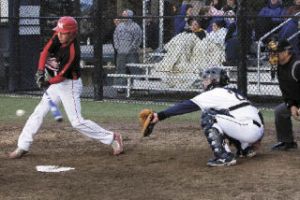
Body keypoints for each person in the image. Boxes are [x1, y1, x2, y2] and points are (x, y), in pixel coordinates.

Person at [9, 16, 124, 159]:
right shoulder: (58, 36)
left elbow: (61, 77)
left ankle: (113, 137)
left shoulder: (72, 52)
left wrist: (46, 82)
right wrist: (40, 72)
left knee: (76, 122)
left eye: (63, 33)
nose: (59, 34)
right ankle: (23, 146)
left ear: (71, 34)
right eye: (59, 31)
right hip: (56, 85)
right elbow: (44, 52)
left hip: (69, 85)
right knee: (38, 113)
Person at [146, 67, 264, 167]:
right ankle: (245, 149)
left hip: (246, 130)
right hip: (255, 130)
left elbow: (186, 106)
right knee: (224, 115)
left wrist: (160, 115)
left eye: (206, 79)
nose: (204, 82)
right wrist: (258, 138)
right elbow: (257, 112)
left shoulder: (214, 93)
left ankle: (224, 157)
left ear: (214, 80)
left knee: (208, 115)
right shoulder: (233, 92)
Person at [270, 39, 299, 151]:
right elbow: (286, 91)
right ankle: (287, 142)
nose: (274, 55)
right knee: (280, 111)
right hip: (296, 101)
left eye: (277, 52)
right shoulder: (280, 66)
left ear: (287, 52)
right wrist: (292, 105)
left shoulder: (297, 65)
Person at [113, 9, 142, 93]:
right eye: (123, 15)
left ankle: (137, 86)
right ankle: (120, 87)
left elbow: (137, 39)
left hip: (131, 52)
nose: (123, 17)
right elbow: (115, 37)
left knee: (134, 68)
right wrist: (117, 47)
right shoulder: (119, 26)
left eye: (125, 15)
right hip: (121, 52)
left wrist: (132, 48)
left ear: (130, 15)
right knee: (120, 69)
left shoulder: (135, 26)